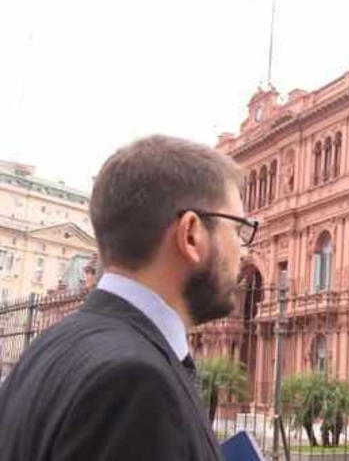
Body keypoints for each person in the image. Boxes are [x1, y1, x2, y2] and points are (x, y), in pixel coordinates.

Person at [0, 135, 252, 461]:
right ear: (191, 234)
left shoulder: (48, 347)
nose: (244, 251)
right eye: (238, 230)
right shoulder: (137, 381)